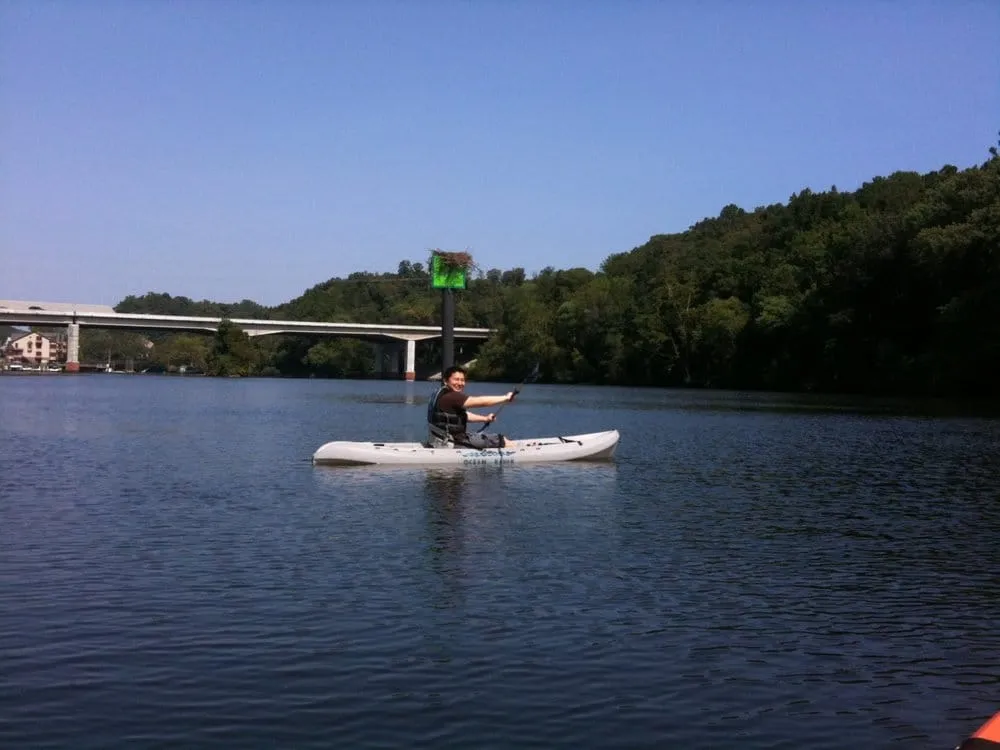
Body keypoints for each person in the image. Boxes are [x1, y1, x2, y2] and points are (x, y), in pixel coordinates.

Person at [427, 365, 518, 449]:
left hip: (439, 440)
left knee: (489, 438)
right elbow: (480, 402)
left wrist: (485, 418)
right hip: (454, 442)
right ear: (445, 381)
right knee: (500, 439)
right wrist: (505, 398)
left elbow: (463, 415)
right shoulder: (452, 396)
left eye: (462, 380)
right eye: (456, 379)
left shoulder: (438, 393)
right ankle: (516, 450)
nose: (460, 383)